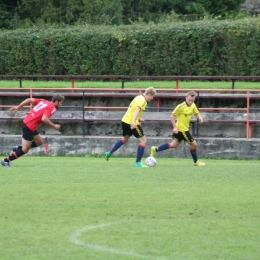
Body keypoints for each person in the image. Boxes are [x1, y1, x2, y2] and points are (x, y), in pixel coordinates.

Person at [1, 94, 65, 167]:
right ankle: (6, 160)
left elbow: (29, 99)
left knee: (39, 142)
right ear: (56, 101)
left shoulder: (44, 101)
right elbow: (44, 119)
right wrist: (54, 126)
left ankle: (18, 148)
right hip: (29, 126)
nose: (61, 104)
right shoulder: (52, 107)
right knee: (25, 149)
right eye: (61, 102)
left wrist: (18, 107)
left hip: (30, 123)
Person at [105, 87, 157, 167]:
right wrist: (133, 122)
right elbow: (136, 109)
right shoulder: (143, 100)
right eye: (152, 96)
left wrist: (139, 118)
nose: (152, 98)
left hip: (125, 120)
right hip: (132, 123)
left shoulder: (138, 97)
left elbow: (132, 110)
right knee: (143, 141)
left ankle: (109, 152)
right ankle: (138, 162)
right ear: (149, 95)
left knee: (125, 139)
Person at [150, 90, 205, 166]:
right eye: (189, 100)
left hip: (183, 129)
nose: (190, 102)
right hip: (182, 130)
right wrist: (175, 127)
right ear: (186, 98)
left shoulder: (193, 105)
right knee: (194, 144)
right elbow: (172, 115)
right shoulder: (181, 106)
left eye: (192, 100)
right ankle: (196, 162)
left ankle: (155, 149)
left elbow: (196, 112)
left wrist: (200, 118)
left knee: (173, 145)